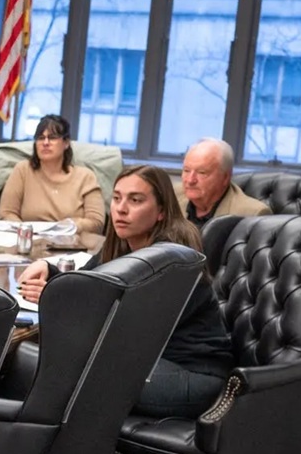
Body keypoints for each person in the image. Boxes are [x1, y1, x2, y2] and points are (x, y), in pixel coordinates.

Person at [18, 164, 233, 418]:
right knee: (38, 362)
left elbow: (128, 323)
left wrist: (60, 301)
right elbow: (86, 283)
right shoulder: (123, 243)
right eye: (117, 198)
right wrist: (49, 270)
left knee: (71, 373)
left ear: (161, 211)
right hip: (148, 361)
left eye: (135, 200)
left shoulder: (175, 255)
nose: (121, 209)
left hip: (193, 373)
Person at [0, 114, 105, 237]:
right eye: (40, 138)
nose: (45, 143)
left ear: (66, 143)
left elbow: (96, 222)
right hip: (30, 240)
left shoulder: (85, 177)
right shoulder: (22, 170)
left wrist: (69, 227)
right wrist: (25, 232)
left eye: (52, 138)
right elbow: (6, 213)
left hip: (72, 243)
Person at [177, 137, 271, 229]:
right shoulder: (172, 195)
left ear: (225, 177)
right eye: (186, 170)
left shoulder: (252, 214)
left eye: (202, 172)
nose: (190, 180)